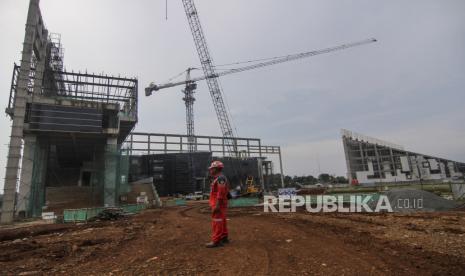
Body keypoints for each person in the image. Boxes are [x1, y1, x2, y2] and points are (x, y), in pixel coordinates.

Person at [205, 160, 230, 248]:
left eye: (211, 169)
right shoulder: (220, 178)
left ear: (216, 169)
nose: (210, 171)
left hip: (218, 203)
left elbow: (221, 192)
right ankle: (224, 237)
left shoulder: (220, 178)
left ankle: (216, 241)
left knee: (217, 221)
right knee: (222, 220)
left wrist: (217, 205)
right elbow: (225, 191)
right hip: (220, 203)